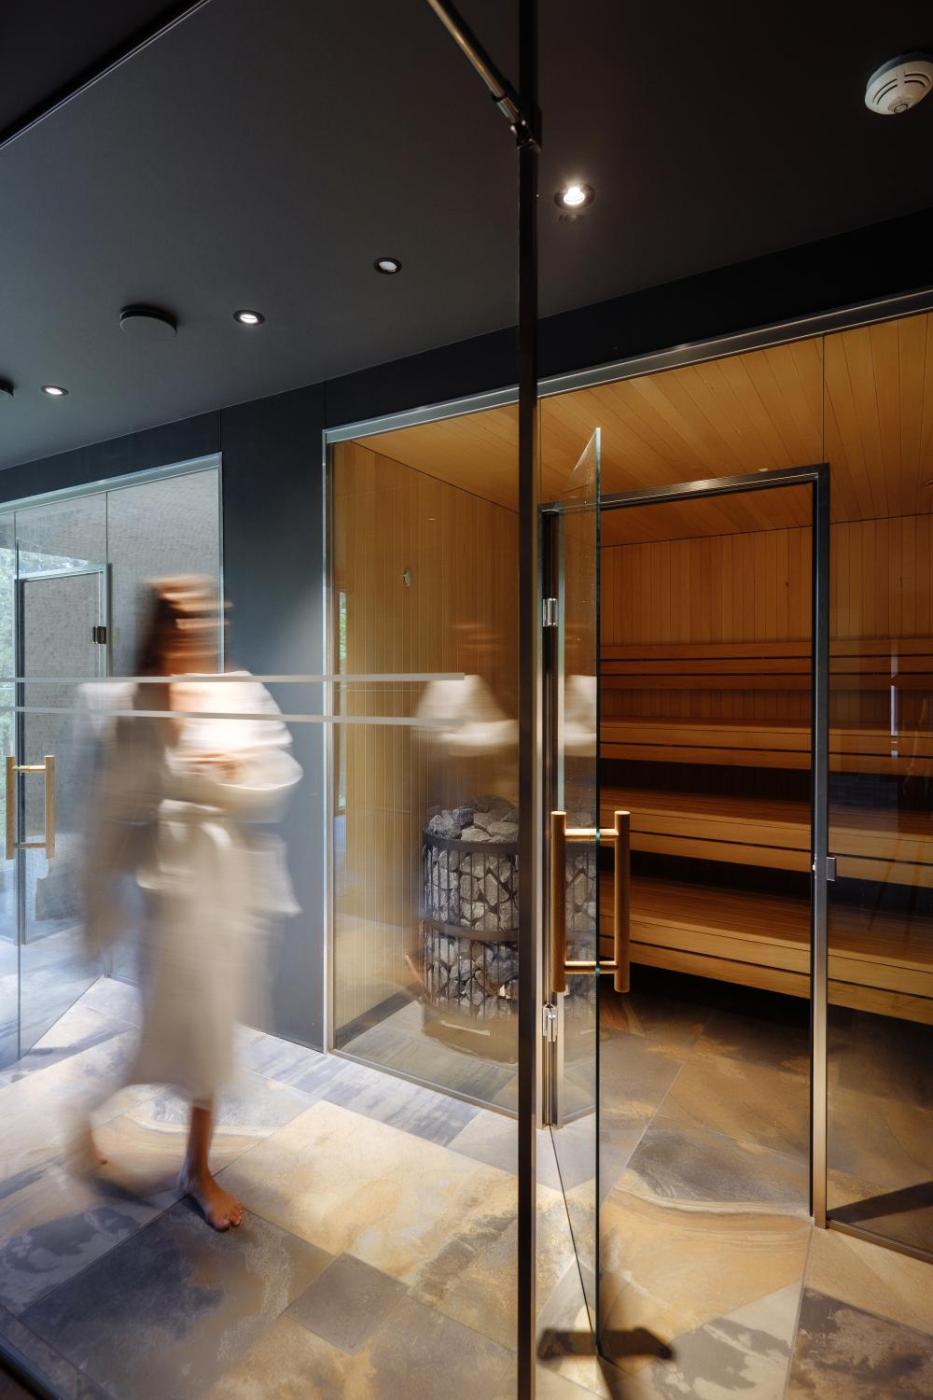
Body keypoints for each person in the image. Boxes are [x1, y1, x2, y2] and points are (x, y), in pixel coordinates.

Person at [80, 577, 301, 1230]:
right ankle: (85, 1113)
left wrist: (221, 776)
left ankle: (194, 1170)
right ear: (160, 630)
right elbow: (115, 804)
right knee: (161, 1034)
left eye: (205, 618)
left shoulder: (237, 690)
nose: (198, 631)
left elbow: (276, 779)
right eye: (182, 622)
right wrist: (97, 901)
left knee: (209, 1035)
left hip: (224, 889)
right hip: (168, 894)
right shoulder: (135, 705)